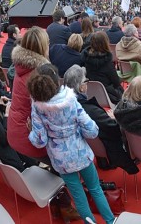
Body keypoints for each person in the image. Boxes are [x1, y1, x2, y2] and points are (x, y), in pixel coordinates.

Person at [27, 63, 115, 224]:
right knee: (96, 189)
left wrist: (31, 132)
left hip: (61, 159)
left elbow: (40, 141)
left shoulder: (37, 107)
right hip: (81, 152)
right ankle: (111, 221)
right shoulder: (71, 100)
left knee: (78, 196)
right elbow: (92, 129)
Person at [63, 65, 138, 174]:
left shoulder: (65, 107)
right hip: (108, 146)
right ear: (81, 87)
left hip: (83, 148)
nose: (87, 84)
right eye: (86, 81)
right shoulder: (89, 111)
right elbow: (115, 129)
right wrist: (116, 118)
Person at [7, 26, 52, 161]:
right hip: (29, 138)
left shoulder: (22, 67)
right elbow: (51, 115)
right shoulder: (39, 75)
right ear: (43, 47)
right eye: (48, 43)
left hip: (15, 131)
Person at [82, 31, 123, 104]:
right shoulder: (107, 63)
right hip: (106, 96)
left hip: (89, 94)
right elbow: (116, 82)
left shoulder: (85, 59)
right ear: (105, 43)